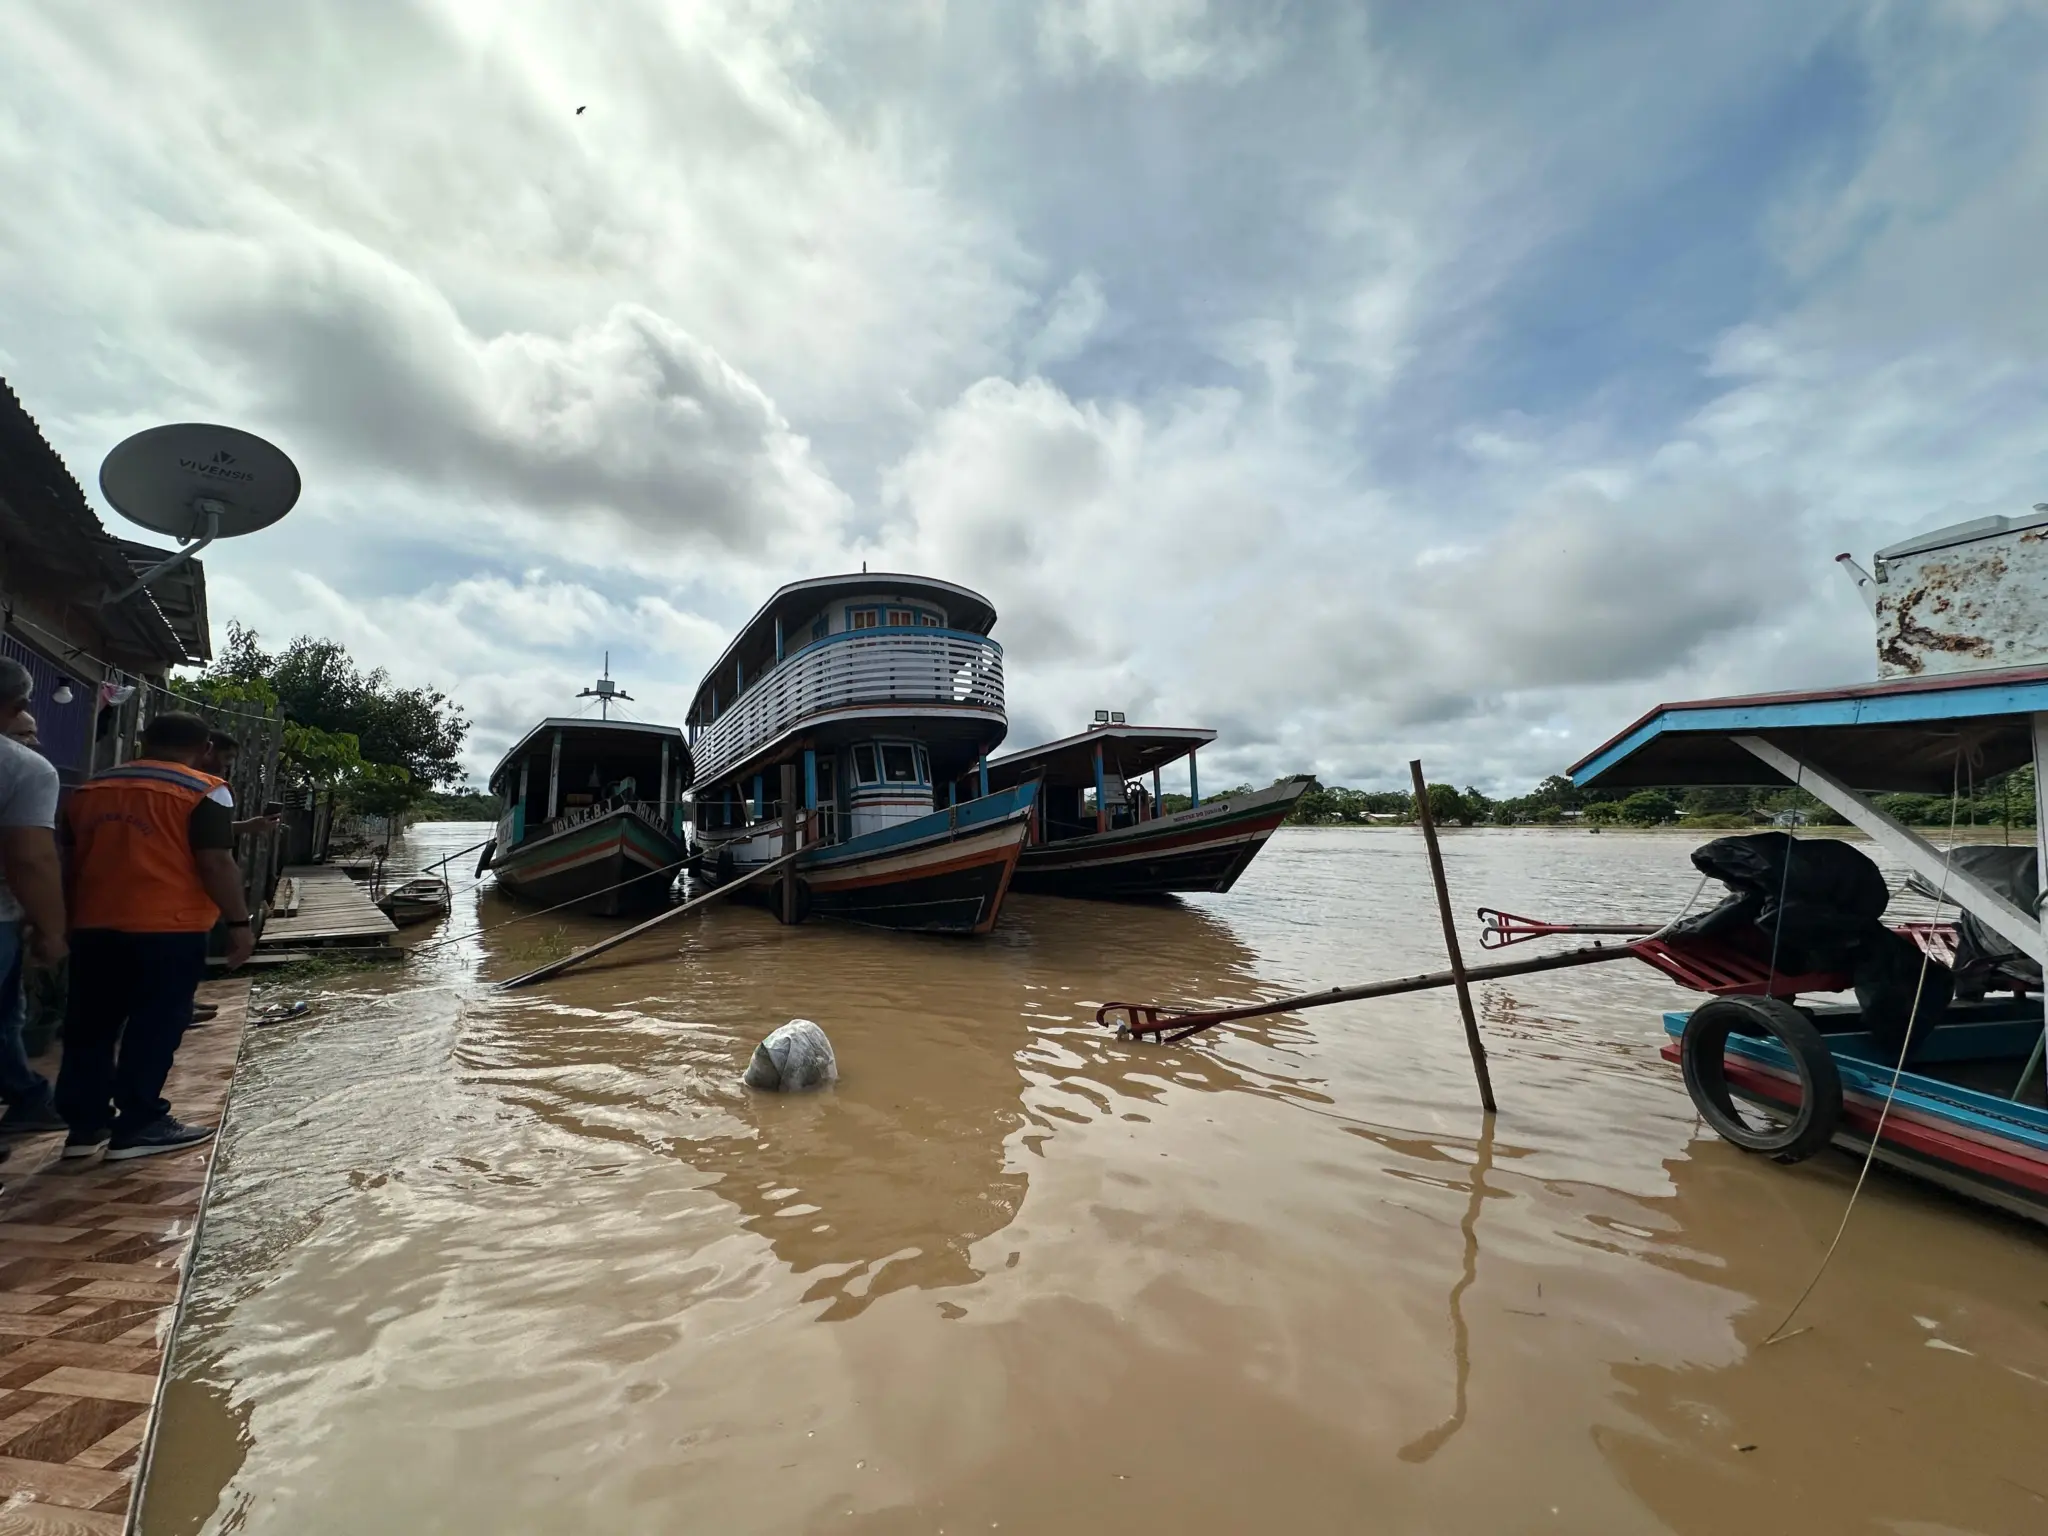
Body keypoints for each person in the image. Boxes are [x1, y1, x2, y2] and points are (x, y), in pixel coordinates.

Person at [55, 710, 254, 1160]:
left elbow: (67, 860)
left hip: (93, 925)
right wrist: (239, 924)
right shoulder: (205, 791)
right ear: (204, 749)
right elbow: (216, 862)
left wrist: (54, 920)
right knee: (156, 1025)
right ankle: (140, 1123)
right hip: (168, 929)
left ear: (144, 740)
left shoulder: (90, 790)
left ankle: (84, 1129)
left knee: (90, 1027)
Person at [0, 661, 68, 1139]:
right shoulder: (22, 769)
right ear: (17, 705)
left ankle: (27, 1096)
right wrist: (52, 931)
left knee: (9, 1015)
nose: (34, 742)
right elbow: (31, 859)